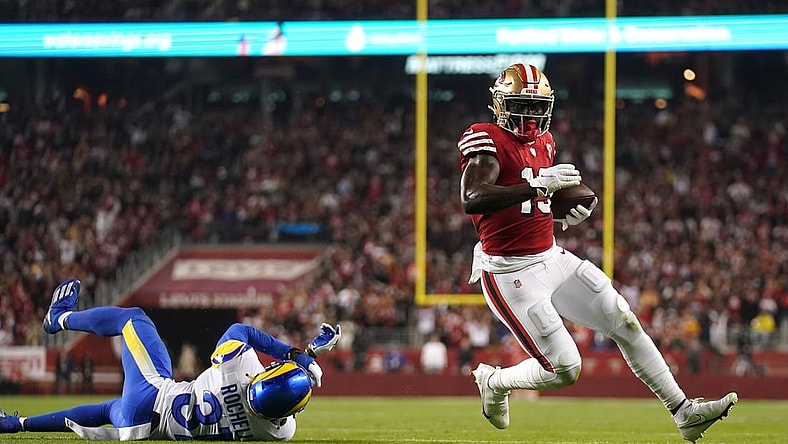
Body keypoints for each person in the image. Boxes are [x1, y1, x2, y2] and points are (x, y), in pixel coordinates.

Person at [457, 62, 737, 443]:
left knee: (624, 319)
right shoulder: (485, 138)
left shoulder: (546, 141)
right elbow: (473, 198)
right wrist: (540, 186)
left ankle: (683, 411)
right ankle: (496, 382)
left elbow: (530, 205)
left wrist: (561, 212)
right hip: (510, 273)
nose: (532, 114)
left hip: (551, 256)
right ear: (501, 104)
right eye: (523, 104)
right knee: (566, 369)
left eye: (539, 106)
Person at [0, 278, 341, 441]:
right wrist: (308, 356)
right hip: (145, 430)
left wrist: (296, 354)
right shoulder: (276, 434)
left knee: (133, 319)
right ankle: (18, 425)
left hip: (154, 394)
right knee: (107, 411)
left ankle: (58, 318)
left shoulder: (238, 370)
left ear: (260, 378)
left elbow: (242, 331)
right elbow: (286, 400)